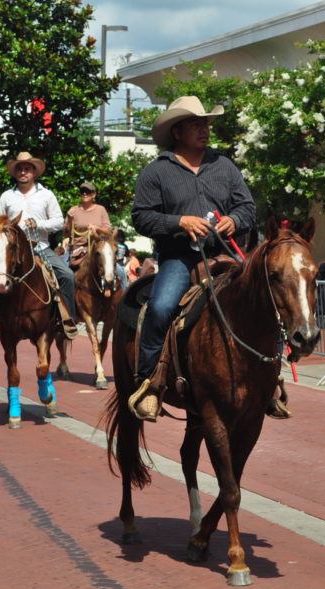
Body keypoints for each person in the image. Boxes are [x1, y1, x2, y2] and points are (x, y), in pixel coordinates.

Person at [126, 95, 256, 421]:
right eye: (195, 124)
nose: (204, 129)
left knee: (261, 297)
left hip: (223, 254)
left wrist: (235, 220)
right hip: (179, 257)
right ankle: (149, 382)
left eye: (205, 123)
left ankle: (270, 378)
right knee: (161, 306)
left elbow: (248, 208)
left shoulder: (224, 165)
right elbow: (141, 217)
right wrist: (179, 222)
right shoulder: (156, 171)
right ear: (177, 131)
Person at [0, 152, 79, 341]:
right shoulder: (7, 196)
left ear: (34, 172)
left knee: (67, 275)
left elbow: (58, 221)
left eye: (27, 169)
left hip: (40, 247)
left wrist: (38, 224)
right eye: (20, 169)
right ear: (15, 173)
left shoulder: (46, 195)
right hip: (11, 249)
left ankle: (67, 319)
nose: (23, 172)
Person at [63, 181, 128, 290]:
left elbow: (108, 231)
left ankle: (123, 302)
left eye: (88, 191)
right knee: (62, 272)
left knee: (121, 272)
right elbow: (66, 233)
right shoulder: (73, 210)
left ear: (94, 194)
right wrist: (69, 219)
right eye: (82, 191)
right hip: (77, 250)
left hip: (98, 249)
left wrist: (96, 228)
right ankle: (62, 304)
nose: (84, 194)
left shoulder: (101, 209)